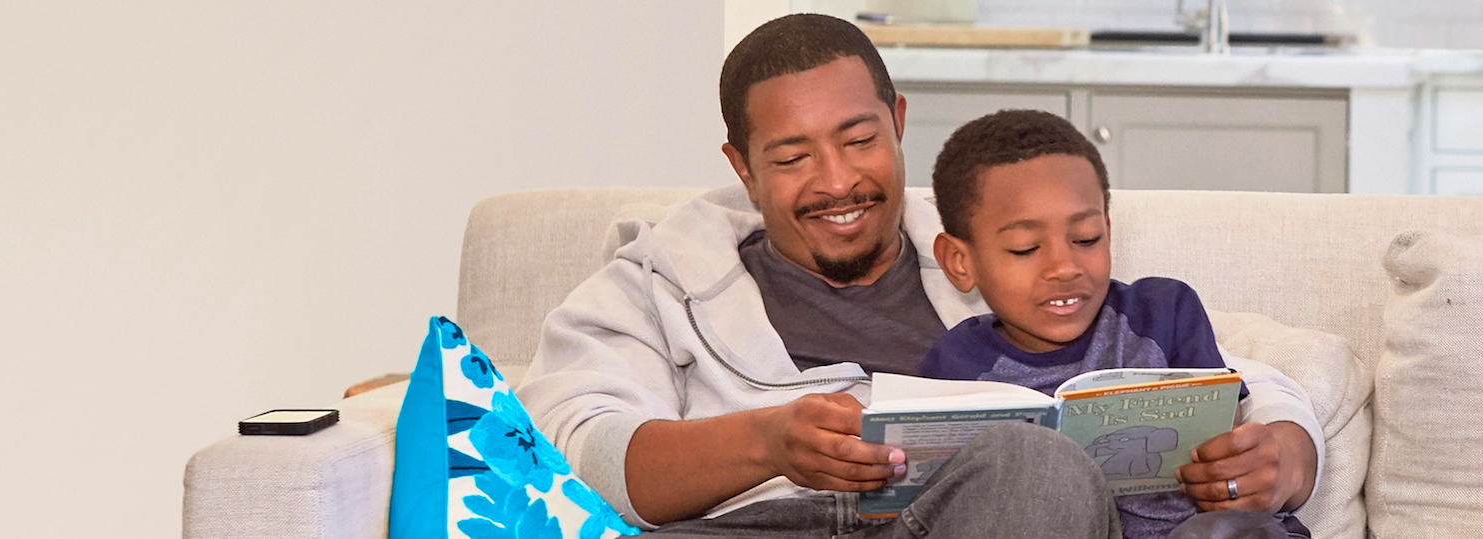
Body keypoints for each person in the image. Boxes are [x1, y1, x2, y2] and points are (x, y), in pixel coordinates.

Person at [517, 13, 1321, 538]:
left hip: (969, 515)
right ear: (742, 165)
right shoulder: (654, 284)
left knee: (1032, 465)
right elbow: (574, 454)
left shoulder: (993, 238)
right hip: (767, 521)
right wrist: (764, 439)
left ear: (898, 121)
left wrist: (1289, 445)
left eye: (859, 139)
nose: (837, 182)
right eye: (793, 157)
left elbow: (1188, 365)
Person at [919, 110, 1314, 539]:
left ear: (1108, 228)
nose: (1064, 267)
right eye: (1025, 248)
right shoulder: (955, 364)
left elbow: (1227, 429)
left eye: (1087, 238)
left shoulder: (1162, 313)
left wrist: (1239, 461)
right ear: (960, 262)